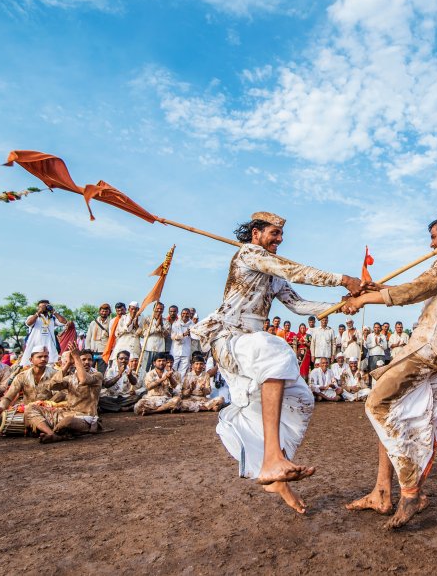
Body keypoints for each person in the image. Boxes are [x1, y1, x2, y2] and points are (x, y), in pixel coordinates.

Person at [190, 212, 362, 515]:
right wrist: (343, 279)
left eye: (281, 234)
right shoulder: (249, 253)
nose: (280, 239)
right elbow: (295, 270)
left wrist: (340, 306)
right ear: (256, 233)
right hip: (231, 338)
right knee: (278, 350)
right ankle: (272, 459)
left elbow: (297, 304)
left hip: (251, 341)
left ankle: (274, 472)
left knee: (302, 399)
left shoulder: (271, 270)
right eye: (274, 233)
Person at [341, 215, 437, 529]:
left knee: (376, 404)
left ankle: (411, 492)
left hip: (432, 347)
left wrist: (366, 298)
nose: (431, 243)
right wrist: (378, 288)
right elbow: (419, 290)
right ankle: (382, 491)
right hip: (431, 344)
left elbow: (413, 291)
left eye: (435, 236)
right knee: (388, 402)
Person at [24, 341, 104, 442]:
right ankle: (52, 433)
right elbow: (52, 385)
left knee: (68, 421)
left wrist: (76, 357)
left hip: (85, 417)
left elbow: (83, 380)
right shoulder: (70, 378)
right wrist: (68, 364)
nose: (87, 362)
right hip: (66, 414)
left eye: (89, 360)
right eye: (83, 359)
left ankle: (55, 434)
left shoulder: (97, 375)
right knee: (30, 408)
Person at [0, 345, 58, 427]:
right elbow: (8, 397)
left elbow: (61, 394)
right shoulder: (22, 376)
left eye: (46, 356)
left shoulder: (55, 374)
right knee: (0, 421)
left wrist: (45, 404)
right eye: (40, 357)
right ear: (31, 360)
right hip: (27, 410)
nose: (43, 359)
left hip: (49, 410)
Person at [21, 300, 67, 365]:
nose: (44, 308)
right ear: (38, 308)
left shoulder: (52, 319)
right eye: (42, 306)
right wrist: (39, 312)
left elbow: (64, 322)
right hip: (34, 348)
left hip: (49, 349)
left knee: (51, 367)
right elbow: (28, 323)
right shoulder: (33, 317)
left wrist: (54, 312)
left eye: (46, 306)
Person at [138, 302, 170, 381]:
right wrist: (156, 327)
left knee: (157, 369)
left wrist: (161, 326)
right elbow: (144, 333)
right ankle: (143, 384)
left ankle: (155, 384)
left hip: (159, 348)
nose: (159, 310)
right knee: (145, 368)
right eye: (157, 308)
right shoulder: (147, 319)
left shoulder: (166, 321)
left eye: (161, 309)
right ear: (153, 309)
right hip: (148, 347)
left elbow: (166, 335)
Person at [170, 307, 196, 375]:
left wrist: (191, 334)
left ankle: (179, 384)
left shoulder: (192, 325)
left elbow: (195, 338)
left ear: (190, 314)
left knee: (183, 370)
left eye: (187, 313)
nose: (185, 315)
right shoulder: (175, 324)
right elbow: (173, 337)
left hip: (186, 350)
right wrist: (183, 335)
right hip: (175, 350)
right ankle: (171, 384)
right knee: (172, 368)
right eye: (183, 313)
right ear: (181, 314)